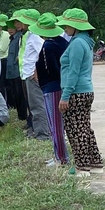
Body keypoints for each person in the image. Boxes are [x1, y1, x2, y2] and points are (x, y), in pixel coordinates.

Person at [57, 8, 104, 176]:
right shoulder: (85, 41)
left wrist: (65, 95)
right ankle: (95, 162)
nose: (65, 29)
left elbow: (73, 72)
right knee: (84, 128)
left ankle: (82, 167)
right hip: (85, 90)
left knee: (75, 129)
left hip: (76, 91)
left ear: (75, 25)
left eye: (67, 25)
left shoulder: (77, 43)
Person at [31, 13, 70, 166]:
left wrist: (43, 78)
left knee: (55, 125)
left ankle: (61, 158)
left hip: (52, 87)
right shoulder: (61, 42)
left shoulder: (48, 46)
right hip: (58, 86)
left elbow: (52, 69)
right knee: (57, 124)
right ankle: (58, 155)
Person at [16, 8, 50, 140]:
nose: (21, 24)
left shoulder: (35, 36)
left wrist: (37, 70)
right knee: (33, 106)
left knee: (37, 106)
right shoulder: (29, 35)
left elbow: (43, 54)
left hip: (32, 75)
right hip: (27, 75)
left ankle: (43, 134)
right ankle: (38, 131)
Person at [6, 12, 29, 122]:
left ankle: (23, 117)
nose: (16, 25)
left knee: (21, 95)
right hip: (12, 71)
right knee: (15, 94)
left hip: (19, 71)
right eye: (15, 22)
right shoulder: (14, 38)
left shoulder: (22, 36)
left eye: (18, 22)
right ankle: (22, 117)